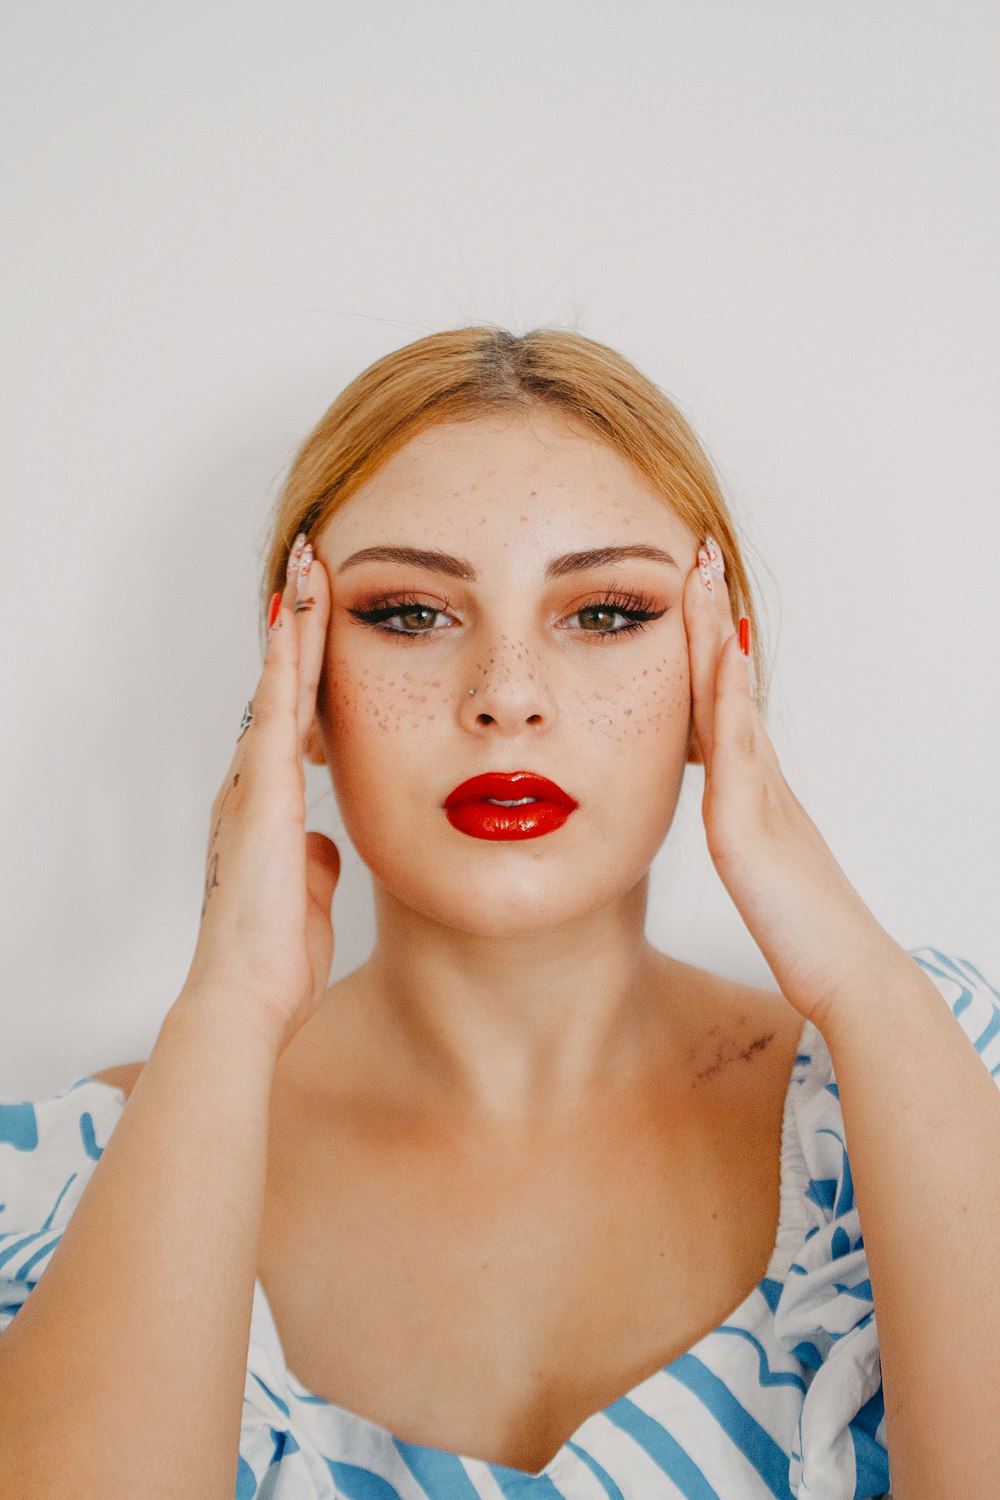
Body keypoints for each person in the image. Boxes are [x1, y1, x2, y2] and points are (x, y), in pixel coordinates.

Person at [0, 327, 997, 1499]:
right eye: (412, 615)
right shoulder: (67, 1177)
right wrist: (225, 1006)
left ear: (715, 671)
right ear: (299, 677)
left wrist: (860, 973)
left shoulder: (932, 1081)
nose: (507, 698)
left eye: (607, 613)